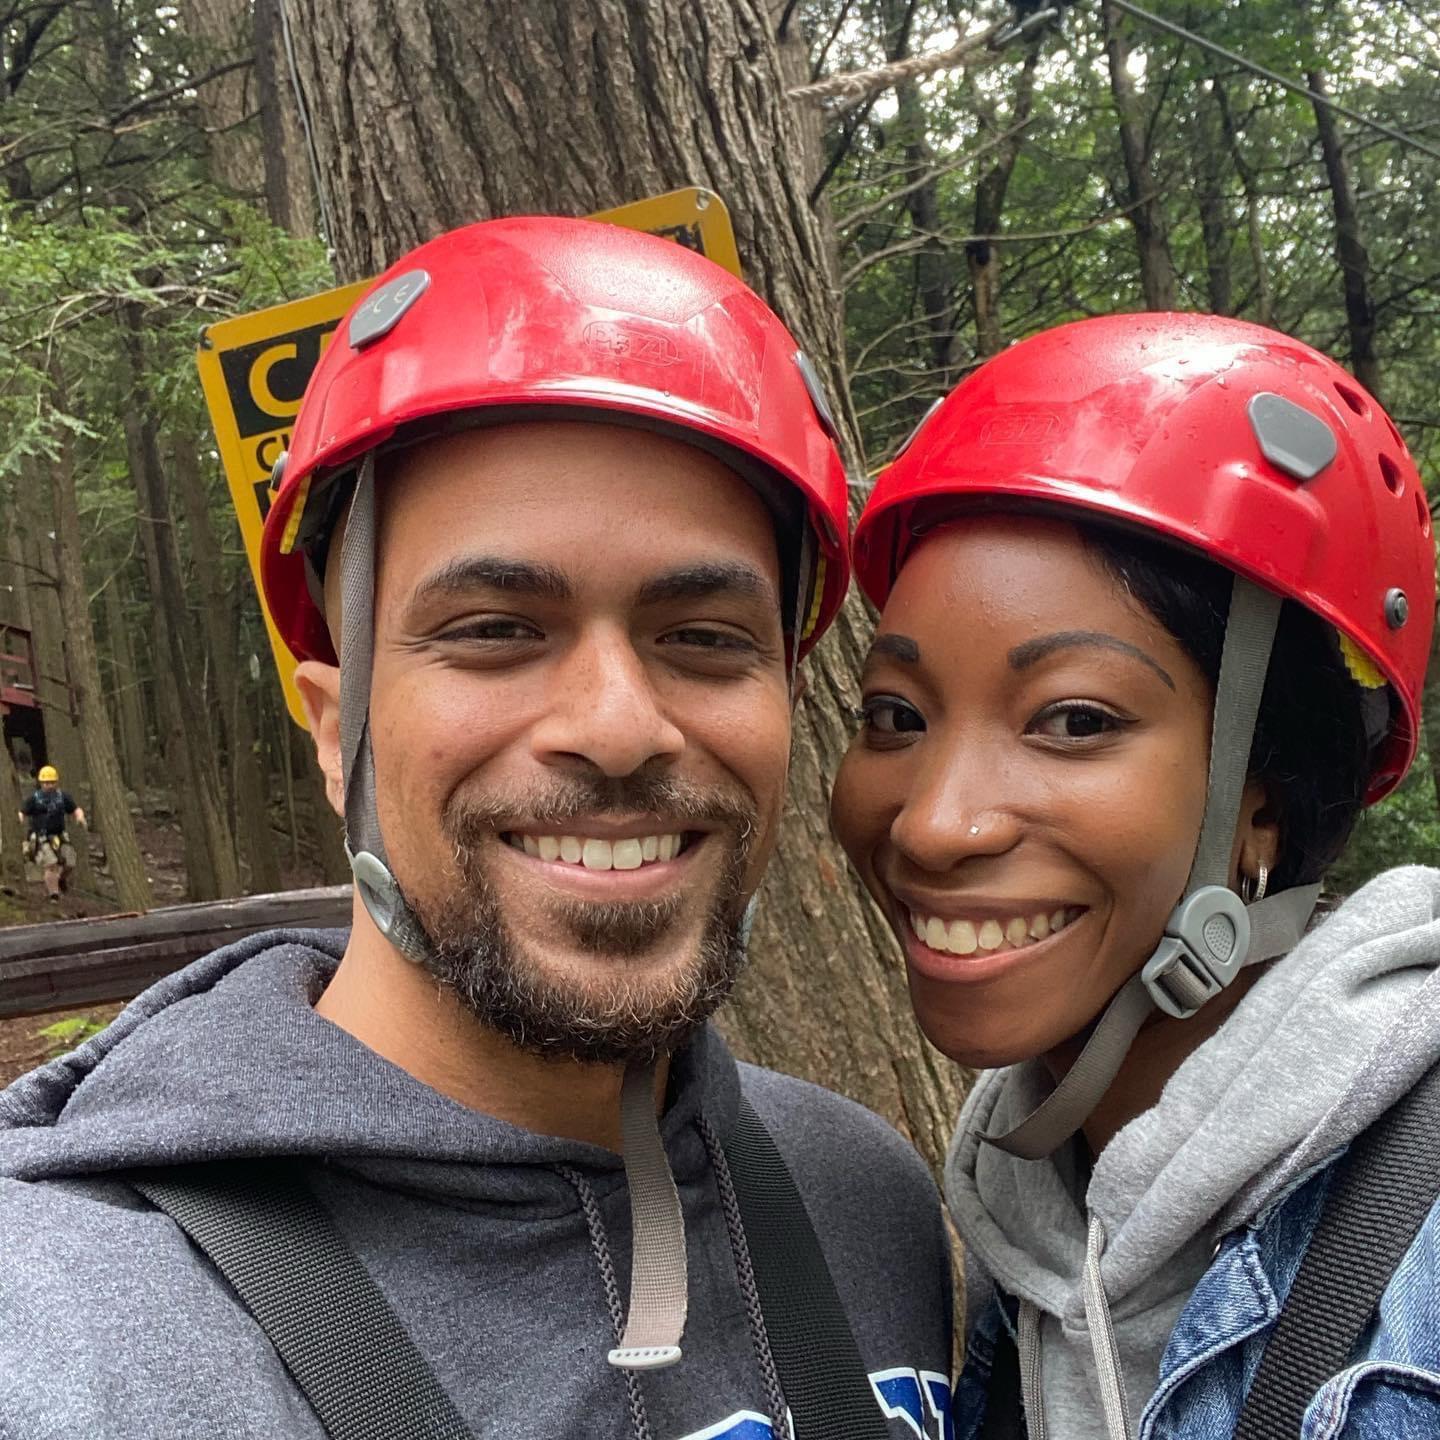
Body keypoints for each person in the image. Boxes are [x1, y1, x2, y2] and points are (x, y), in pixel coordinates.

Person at [0, 218, 952, 1439]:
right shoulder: (72, 1322)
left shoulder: (860, 1201)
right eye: (496, 628)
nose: (619, 728)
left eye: (705, 639)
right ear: (336, 727)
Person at [830, 313, 1440, 1439]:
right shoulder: (1025, 1251)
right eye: (894, 717)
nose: (933, 824)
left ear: (1267, 794)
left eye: (1071, 719)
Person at [19, 763, 85, 902]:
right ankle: (53, 895)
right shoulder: (34, 799)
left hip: (60, 835)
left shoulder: (63, 797)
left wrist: (80, 817)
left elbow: (75, 809)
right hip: (41, 837)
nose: (49, 785)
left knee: (70, 862)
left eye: (52, 782)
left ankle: (61, 880)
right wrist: (18, 820)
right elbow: (22, 812)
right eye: (46, 783)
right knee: (51, 864)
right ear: (41, 783)